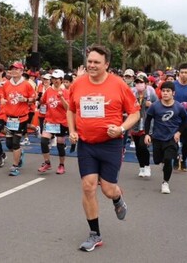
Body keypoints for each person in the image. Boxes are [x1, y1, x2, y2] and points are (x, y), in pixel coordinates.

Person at [67, 45, 139, 252]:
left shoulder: (118, 85)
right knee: (88, 186)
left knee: (107, 189)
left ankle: (117, 197)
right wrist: (72, 130)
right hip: (86, 144)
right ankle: (94, 234)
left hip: (110, 144)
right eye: (89, 61)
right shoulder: (78, 84)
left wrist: (121, 128)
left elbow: (135, 113)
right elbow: (71, 110)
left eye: (96, 62)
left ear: (106, 64)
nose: (91, 65)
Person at [144, 81, 187, 193]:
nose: (165, 93)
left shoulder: (179, 107)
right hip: (158, 137)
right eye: (163, 91)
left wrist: (178, 132)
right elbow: (148, 119)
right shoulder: (155, 106)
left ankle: (165, 182)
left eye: (168, 91)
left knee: (168, 159)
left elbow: (185, 121)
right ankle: (165, 161)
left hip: (171, 138)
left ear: (173, 93)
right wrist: (147, 134)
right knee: (157, 160)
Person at [2, 61, 36, 176]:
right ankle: (20, 154)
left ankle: (15, 166)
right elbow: (3, 95)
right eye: (12, 69)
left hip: (21, 118)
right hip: (9, 119)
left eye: (16, 69)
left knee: (16, 143)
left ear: (21, 71)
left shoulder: (26, 84)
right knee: (8, 144)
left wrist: (26, 100)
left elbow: (33, 98)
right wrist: (2, 100)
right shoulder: (6, 84)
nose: (14, 71)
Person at [38, 69, 69, 174]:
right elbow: (42, 101)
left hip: (61, 122)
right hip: (50, 121)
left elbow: (68, 108)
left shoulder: (66, 92)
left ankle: (61, 165)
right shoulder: (48, 91)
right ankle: (47, 163)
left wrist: (62, 98)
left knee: (60, 144)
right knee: (43, 141)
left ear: (61, 80)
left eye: (57, 79)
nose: (55, 80)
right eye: (53, 78)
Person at [131, 75, 158, 178]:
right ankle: (141, 167)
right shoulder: (133, 94)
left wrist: (151, 105)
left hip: (147, 123)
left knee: (143, 145)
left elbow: (158, 105)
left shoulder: (151, 94)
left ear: (146, 84)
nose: (139, 85)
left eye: (141, 82)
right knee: (138, 148)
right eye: (137, 82)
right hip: (136, 123)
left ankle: (147, 166)